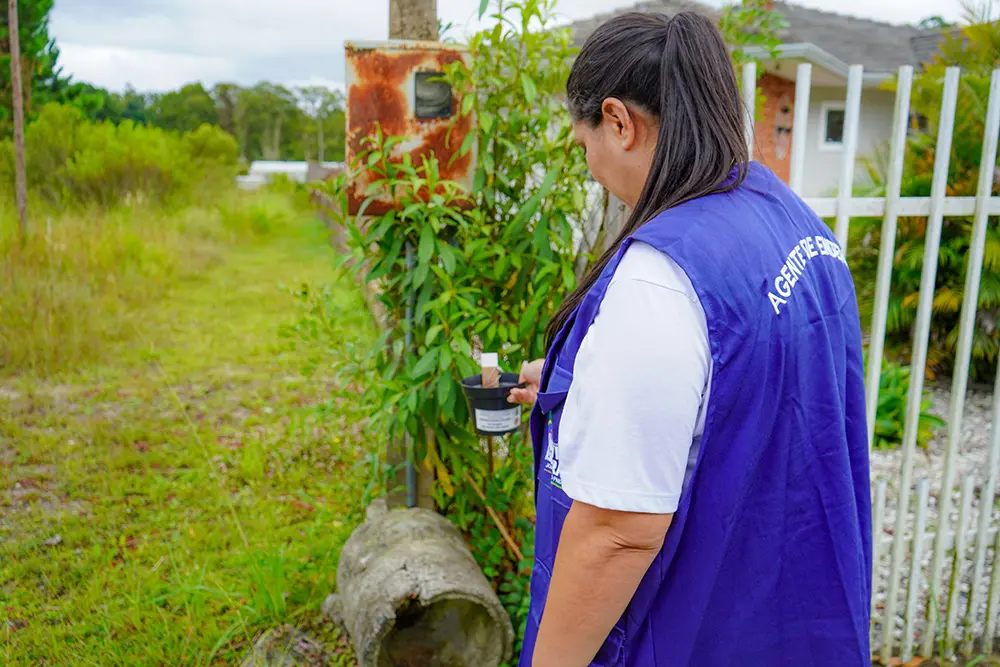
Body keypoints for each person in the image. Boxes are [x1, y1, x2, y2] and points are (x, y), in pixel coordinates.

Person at [506, 10, 872, 667]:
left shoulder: (663, 276)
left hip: (690, 632)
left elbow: (617, 532)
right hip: (784, 619)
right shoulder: (791, 219)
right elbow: (739, 386)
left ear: (619, 121)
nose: (589, 165)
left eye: (583, 141)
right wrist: (584, 385)